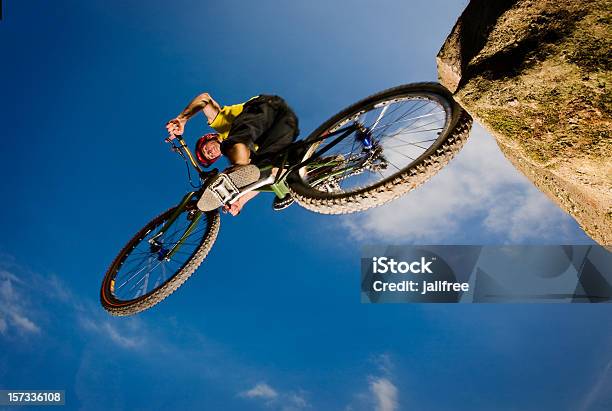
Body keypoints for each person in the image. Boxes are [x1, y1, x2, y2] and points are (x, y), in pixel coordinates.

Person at [166, 92, 299, 215]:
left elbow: (205, 99)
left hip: (266, 107)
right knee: (266, 170)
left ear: (209, 138)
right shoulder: (247, 156)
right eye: (211, 156)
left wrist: (182, 118)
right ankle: (302, 181)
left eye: (207, 149)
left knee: (234, 142)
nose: (211, 152)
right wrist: (241, 201)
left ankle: (236, 170)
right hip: (286, 125)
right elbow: (258, 182)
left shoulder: (221, 125)